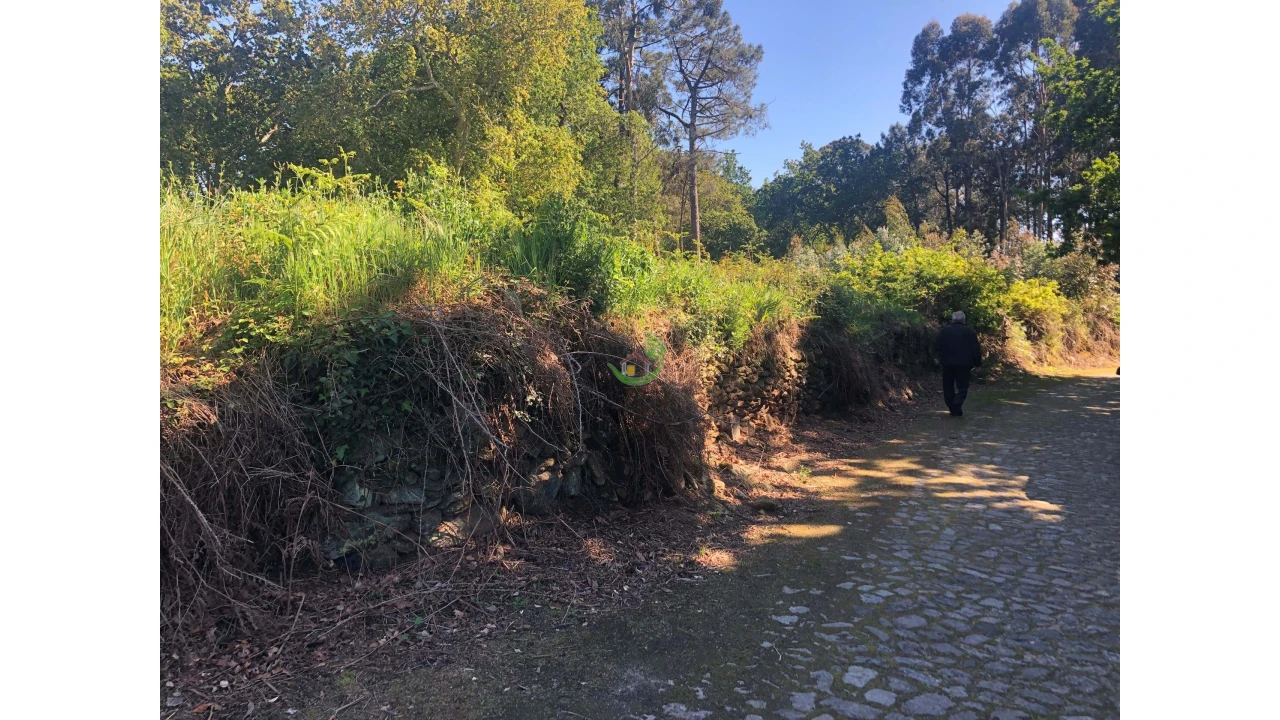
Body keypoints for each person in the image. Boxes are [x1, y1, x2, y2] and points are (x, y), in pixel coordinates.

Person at [935, 311, 983, 416]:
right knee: (963, 386)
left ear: (952, 320)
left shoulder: (944, 331)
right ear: (963, 320)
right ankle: (956, 404)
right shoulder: (970, 332)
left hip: (947, 363)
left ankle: (952, 406)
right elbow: (976, 349)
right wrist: (978, 364)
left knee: (948, 386)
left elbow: (937, 347)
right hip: (964, 365)